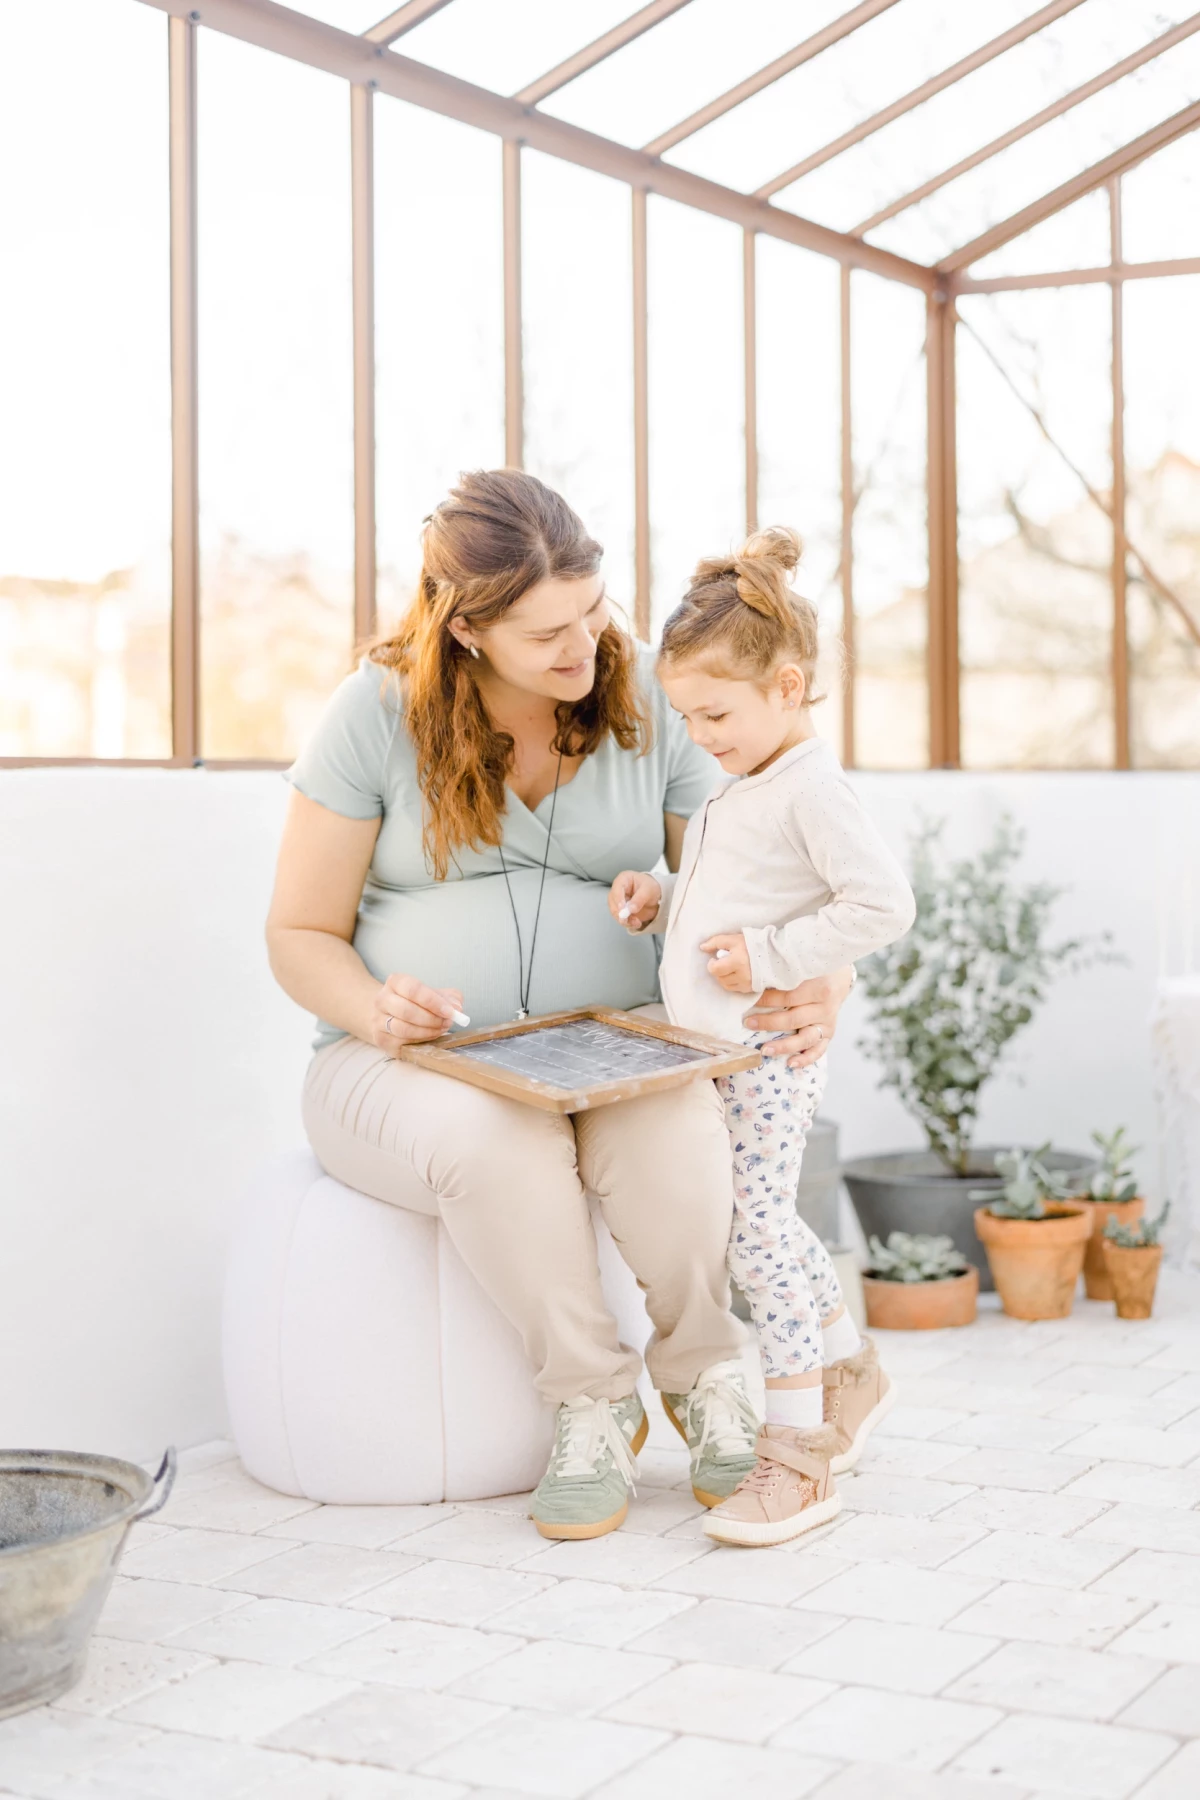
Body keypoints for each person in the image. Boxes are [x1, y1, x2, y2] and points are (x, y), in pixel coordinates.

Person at [265, 472, 854, 1541]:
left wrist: (824, 977)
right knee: (491, 1135)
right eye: (546, 634)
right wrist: (375, 1007)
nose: (582, 648)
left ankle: (709, 1372)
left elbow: (766, 875)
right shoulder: (373, 715)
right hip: (403, 1064)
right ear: (466, 630)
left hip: (617, 1051)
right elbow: (298, 934)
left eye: (592, 610)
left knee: (679, 1123)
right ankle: (592, 1399)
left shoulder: (651, 709)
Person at [609, 526, 915, 1547]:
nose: (700, 733)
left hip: (767, 1057)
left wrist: (778, 955)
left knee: (760, 1235)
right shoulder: (745, 781)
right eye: (688, 716)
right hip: (721, 1056)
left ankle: (798, 1457)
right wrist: (660, 896)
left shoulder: (814, 788)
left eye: (716, 712)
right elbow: (725, 892)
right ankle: (851, 1375)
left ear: (788, 687)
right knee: (760, 1228)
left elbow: (882, 906)